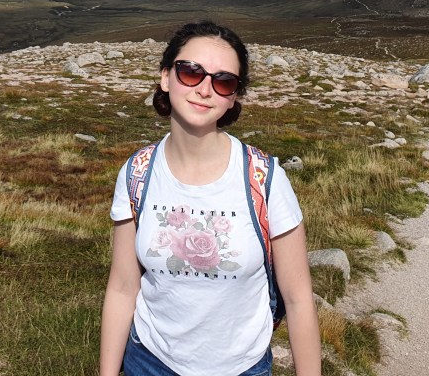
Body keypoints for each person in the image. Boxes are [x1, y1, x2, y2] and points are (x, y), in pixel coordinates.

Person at [100, 20, 322, 376]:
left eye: (223, 81)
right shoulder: (137, 172)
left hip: (242, 367)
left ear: (233, 96)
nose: (205, 89)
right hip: (149, 361)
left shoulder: (264, 179)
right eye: (191, 72)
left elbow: (298, 301)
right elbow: (123, 289)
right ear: (165, 77)